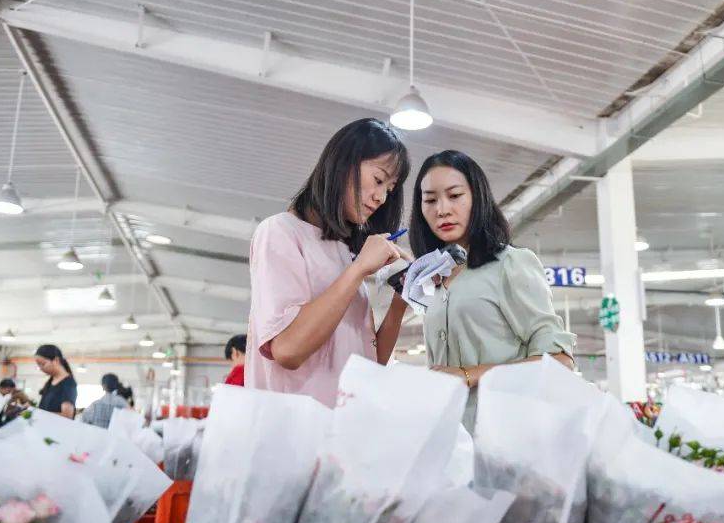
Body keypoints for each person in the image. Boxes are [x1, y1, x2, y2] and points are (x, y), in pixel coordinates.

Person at [246, 118, 411, 407]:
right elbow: (287, 349)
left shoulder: (342, 252)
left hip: (342, 435)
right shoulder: (280, 232)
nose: (382, 197)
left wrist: (403, 298)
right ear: (344, 164)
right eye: (378, 179)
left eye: (391, 188)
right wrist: (358, 269)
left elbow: (370, 364)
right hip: (295, 437)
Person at [409, 150, 575, 431]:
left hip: (508, 437)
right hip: (451, 440)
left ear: (477, 197)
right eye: (430, 200)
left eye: (455, 195)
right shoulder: (436, 280)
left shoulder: (510, 264)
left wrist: (467, 375)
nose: (442, 209)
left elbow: (559, 361)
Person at [34, 344, 77, 419]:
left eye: (43, 364)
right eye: (38, 365)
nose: (40, 368)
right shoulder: (50, 382)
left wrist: (37, 413)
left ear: (56, 360)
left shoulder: (68, 383)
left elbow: (67, 416)